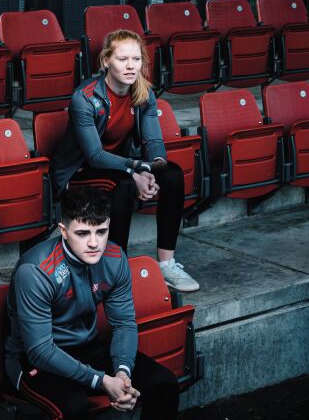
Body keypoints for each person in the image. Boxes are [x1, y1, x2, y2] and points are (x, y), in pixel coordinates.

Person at [5, 186, 180, 419]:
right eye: (83, 233)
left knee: (164, 383)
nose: (94, 243)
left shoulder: (115, 258)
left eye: (101, 231)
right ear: (63, 231)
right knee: (75, 406)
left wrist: (122, 374)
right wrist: (101, 381)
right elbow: (40, 351)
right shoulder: (35, 271)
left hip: (88, 348)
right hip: (34, 360)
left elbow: (124, 324)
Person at [48, 30, 200, 292]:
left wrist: (154, 170)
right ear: (106, 61)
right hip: (82, 170)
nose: (131, 66)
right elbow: (94, 155)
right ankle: (118, 272)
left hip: (122, 164)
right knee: (125, 188)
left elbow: (154, 144)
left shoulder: (143, 93)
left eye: (136, 59)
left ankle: (167, 264)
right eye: (122, 59)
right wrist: (135, 171)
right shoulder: (84, 97)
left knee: (172, 175)